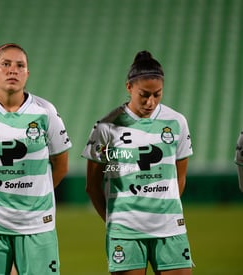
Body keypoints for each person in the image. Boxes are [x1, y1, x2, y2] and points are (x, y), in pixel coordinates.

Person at [0, 43, 72, 274]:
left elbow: (61, 166)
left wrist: (35, 196)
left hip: (37, 223)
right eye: (5, 64)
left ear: (27, 73)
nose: (12, 70)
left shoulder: (45, 111)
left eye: (20, 66)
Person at [81, 51, 194, 274]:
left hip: (170, 228)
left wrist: (163, 210)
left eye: (157, 94)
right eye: (144, 94)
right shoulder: (106, 127)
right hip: (125, 232)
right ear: (129, 87)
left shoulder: (176, 122)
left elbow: (179, 177)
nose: (150, 101)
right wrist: (114, 222)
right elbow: (92, 185)